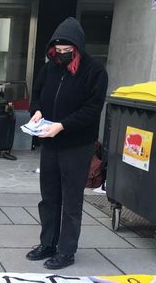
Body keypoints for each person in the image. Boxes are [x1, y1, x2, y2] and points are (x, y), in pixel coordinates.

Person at [26, 17, 108, 269]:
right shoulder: (50, 68)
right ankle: (48, 243)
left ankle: (66, 250)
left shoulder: (94, 71)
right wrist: (37, 111)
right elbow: (37, 94)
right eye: (57, 51)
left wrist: (62, 125)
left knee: (71, 200)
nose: (60, 55)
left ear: (77, 48)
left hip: (77, 144)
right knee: (49, 196)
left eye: (66, 52)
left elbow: (92, 109)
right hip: (49, 142)